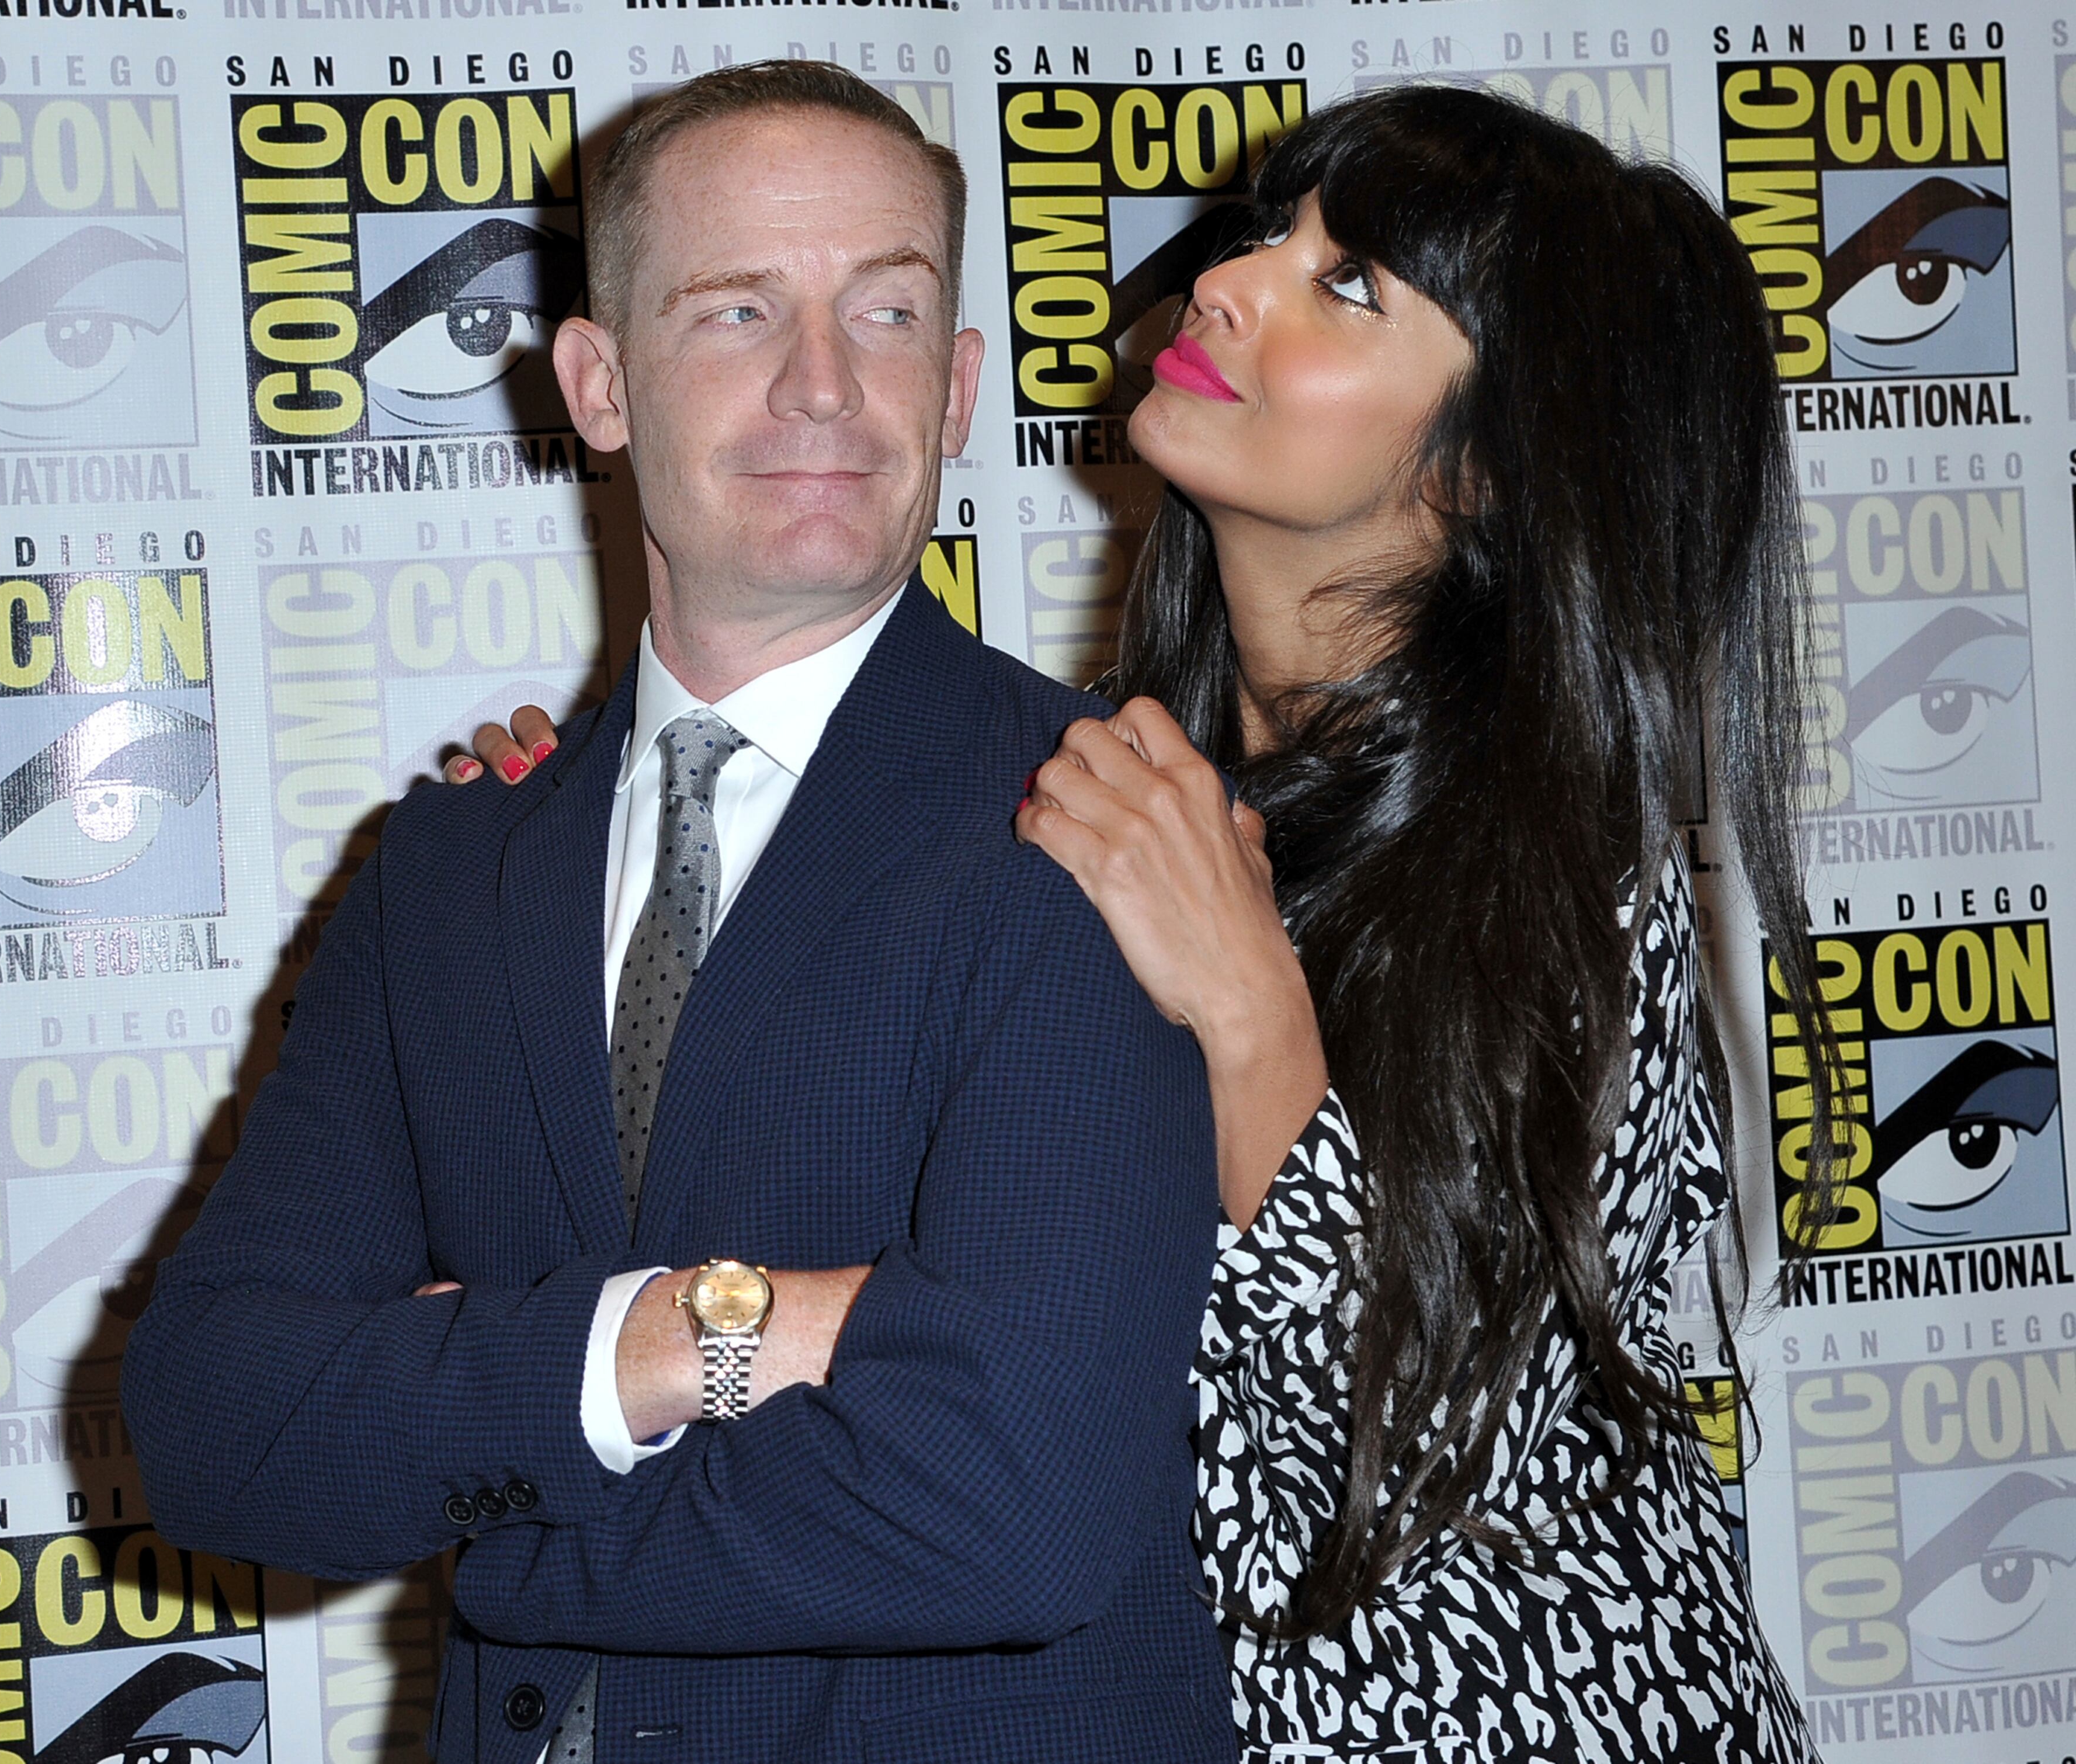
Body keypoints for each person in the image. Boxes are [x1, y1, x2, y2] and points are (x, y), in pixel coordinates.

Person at [459, 85, 1836, 1763]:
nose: (1234, 283)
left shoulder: (1571, 879)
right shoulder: (1083, 779)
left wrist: (1253, 1008)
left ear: (1485, 465)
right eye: (1271, 234)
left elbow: (1412, 1454)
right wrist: (641, 826)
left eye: (1350, 286)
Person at [123, 62, 1238, 1764]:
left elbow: (1013, 1499)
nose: (821, 384)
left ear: (955, 392)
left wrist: (474, 1505)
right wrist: (664, 1345)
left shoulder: (1095, 825)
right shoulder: (446, 871)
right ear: (599, 380)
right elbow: (212, 1423)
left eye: (885, 311)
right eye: (736, 312)